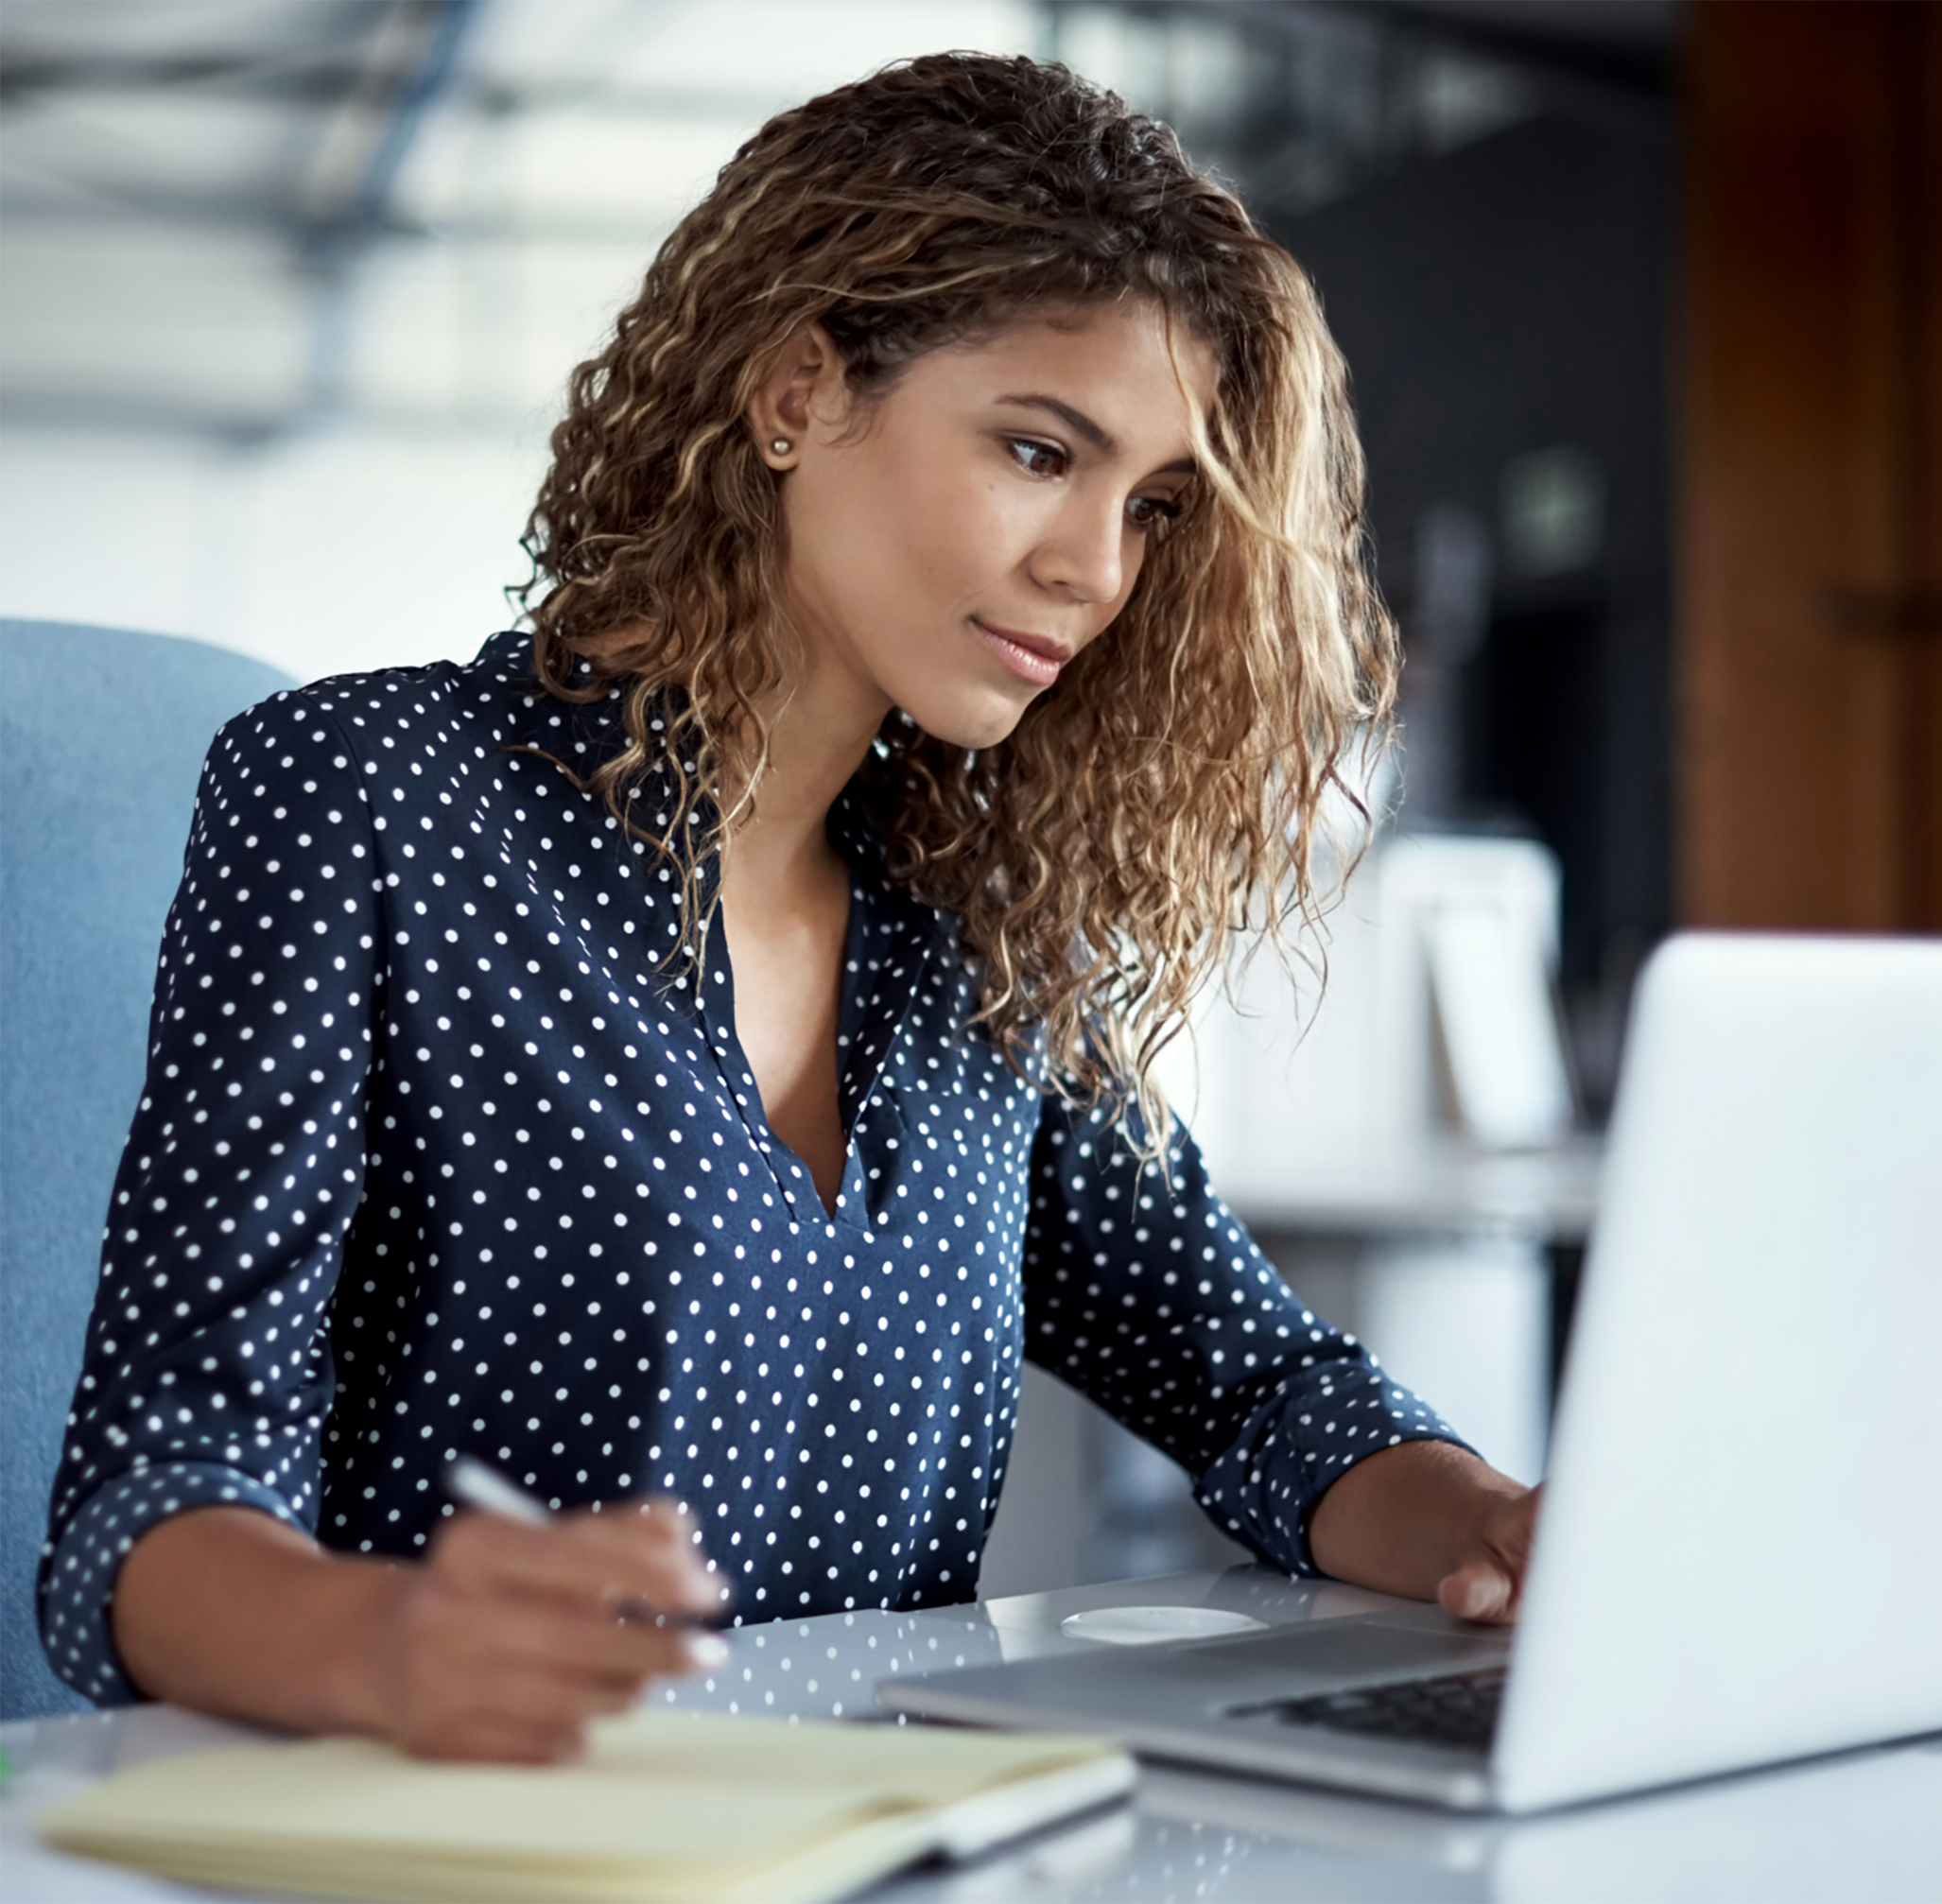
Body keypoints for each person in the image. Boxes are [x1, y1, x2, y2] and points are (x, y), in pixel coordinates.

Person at [40, 52, 1537, 1764]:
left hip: (875, 1844)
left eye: (1151, 507)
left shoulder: (975, 936)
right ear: (793, 391)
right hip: (458, 1844)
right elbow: (144, 1512)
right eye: (1040, 449)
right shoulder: (367, 794)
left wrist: (1497, 1525)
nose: (1099, 568)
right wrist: (380, 1639)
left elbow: (1265, 1392)